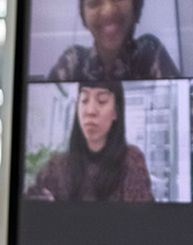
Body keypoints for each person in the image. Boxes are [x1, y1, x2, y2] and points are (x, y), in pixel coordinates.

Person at [44, 0, 182, 82]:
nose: (108, 11)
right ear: (83, 15)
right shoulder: (72, 62)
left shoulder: (149, 52)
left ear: (136, 3)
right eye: (94, 2)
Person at [25, 81, 153, 202]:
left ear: (116, 111)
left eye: (102, 101)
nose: (90, 111)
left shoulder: (131, 161)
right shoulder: (56, 166)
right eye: (84, 100)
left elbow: (142, 219)